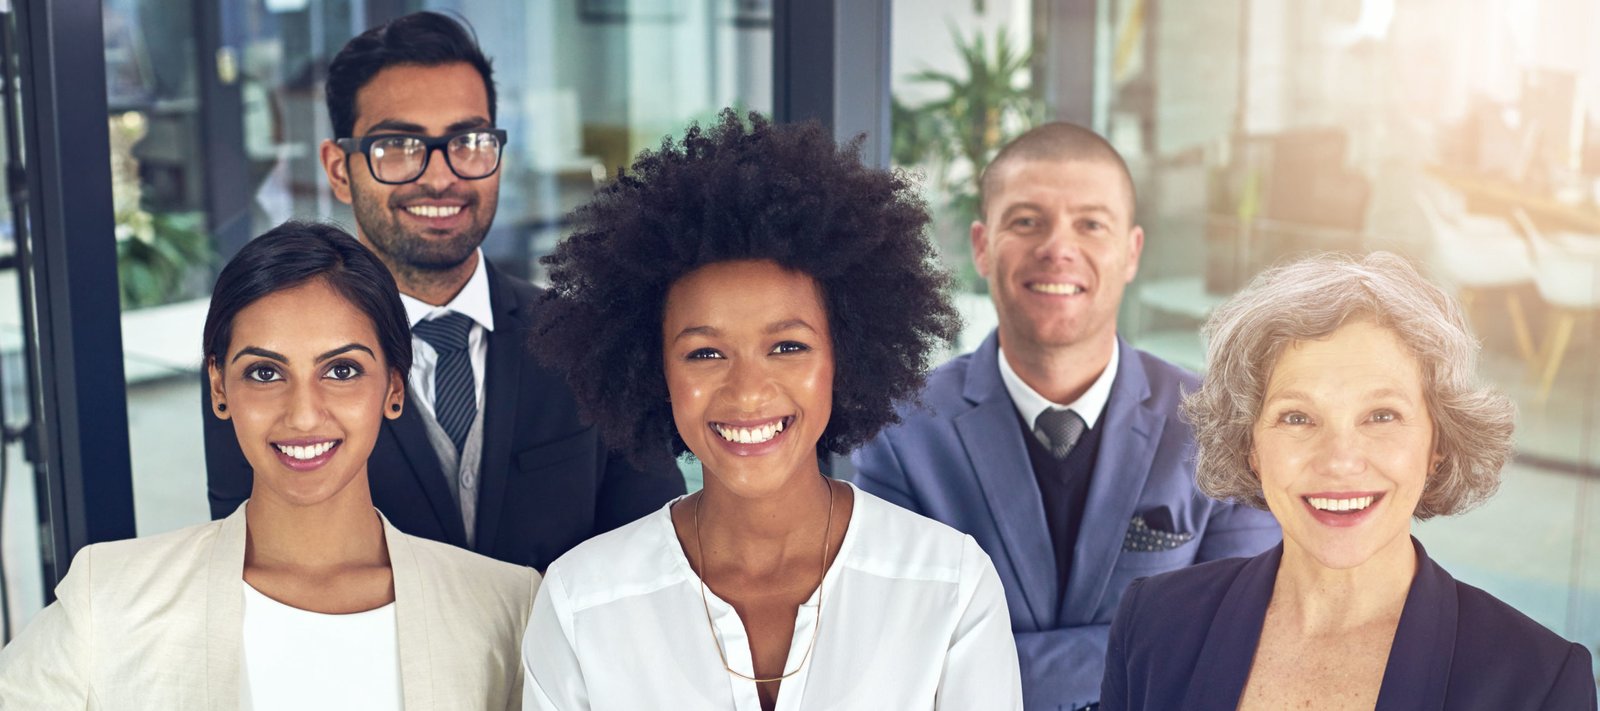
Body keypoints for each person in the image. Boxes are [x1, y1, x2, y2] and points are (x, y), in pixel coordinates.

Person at [520, 112, 1022, 710]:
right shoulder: (582, 601)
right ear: (655, 369)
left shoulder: (949, 587)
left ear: (847, 353)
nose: (748, 391)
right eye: (705, 352)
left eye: (788, 346)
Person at [203, 12, 685, 570]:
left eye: (468, 140)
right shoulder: (266, 358)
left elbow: (655, 549)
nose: (439, 176)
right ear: (339, 169)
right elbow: (253, 559)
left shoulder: (590, 338)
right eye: (398, 146)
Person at [0, 221, 535, 709]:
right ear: (219, 387)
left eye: (343, 370)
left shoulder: (504, 607)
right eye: (264, 373)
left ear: (395, 387)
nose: (303, 415)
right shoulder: (111, 598)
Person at [851, 121, 1282, 708]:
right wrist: (1149, 649)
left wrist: (980, 664)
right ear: (981, 245)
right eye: (1026, 221)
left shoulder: (1217, 424)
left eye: (1090, 224)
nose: (1058, 248)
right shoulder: (902, 433)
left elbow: (1243, 642)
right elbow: (896, 660)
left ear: (1131, 252)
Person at [1101, 252, 1598, 710]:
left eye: (1381, 415)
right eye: (1297, 418)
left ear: (1438, 445)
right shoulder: (1154, 624)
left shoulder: (1540, 683)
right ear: (1250, 446)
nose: (1339, 460)